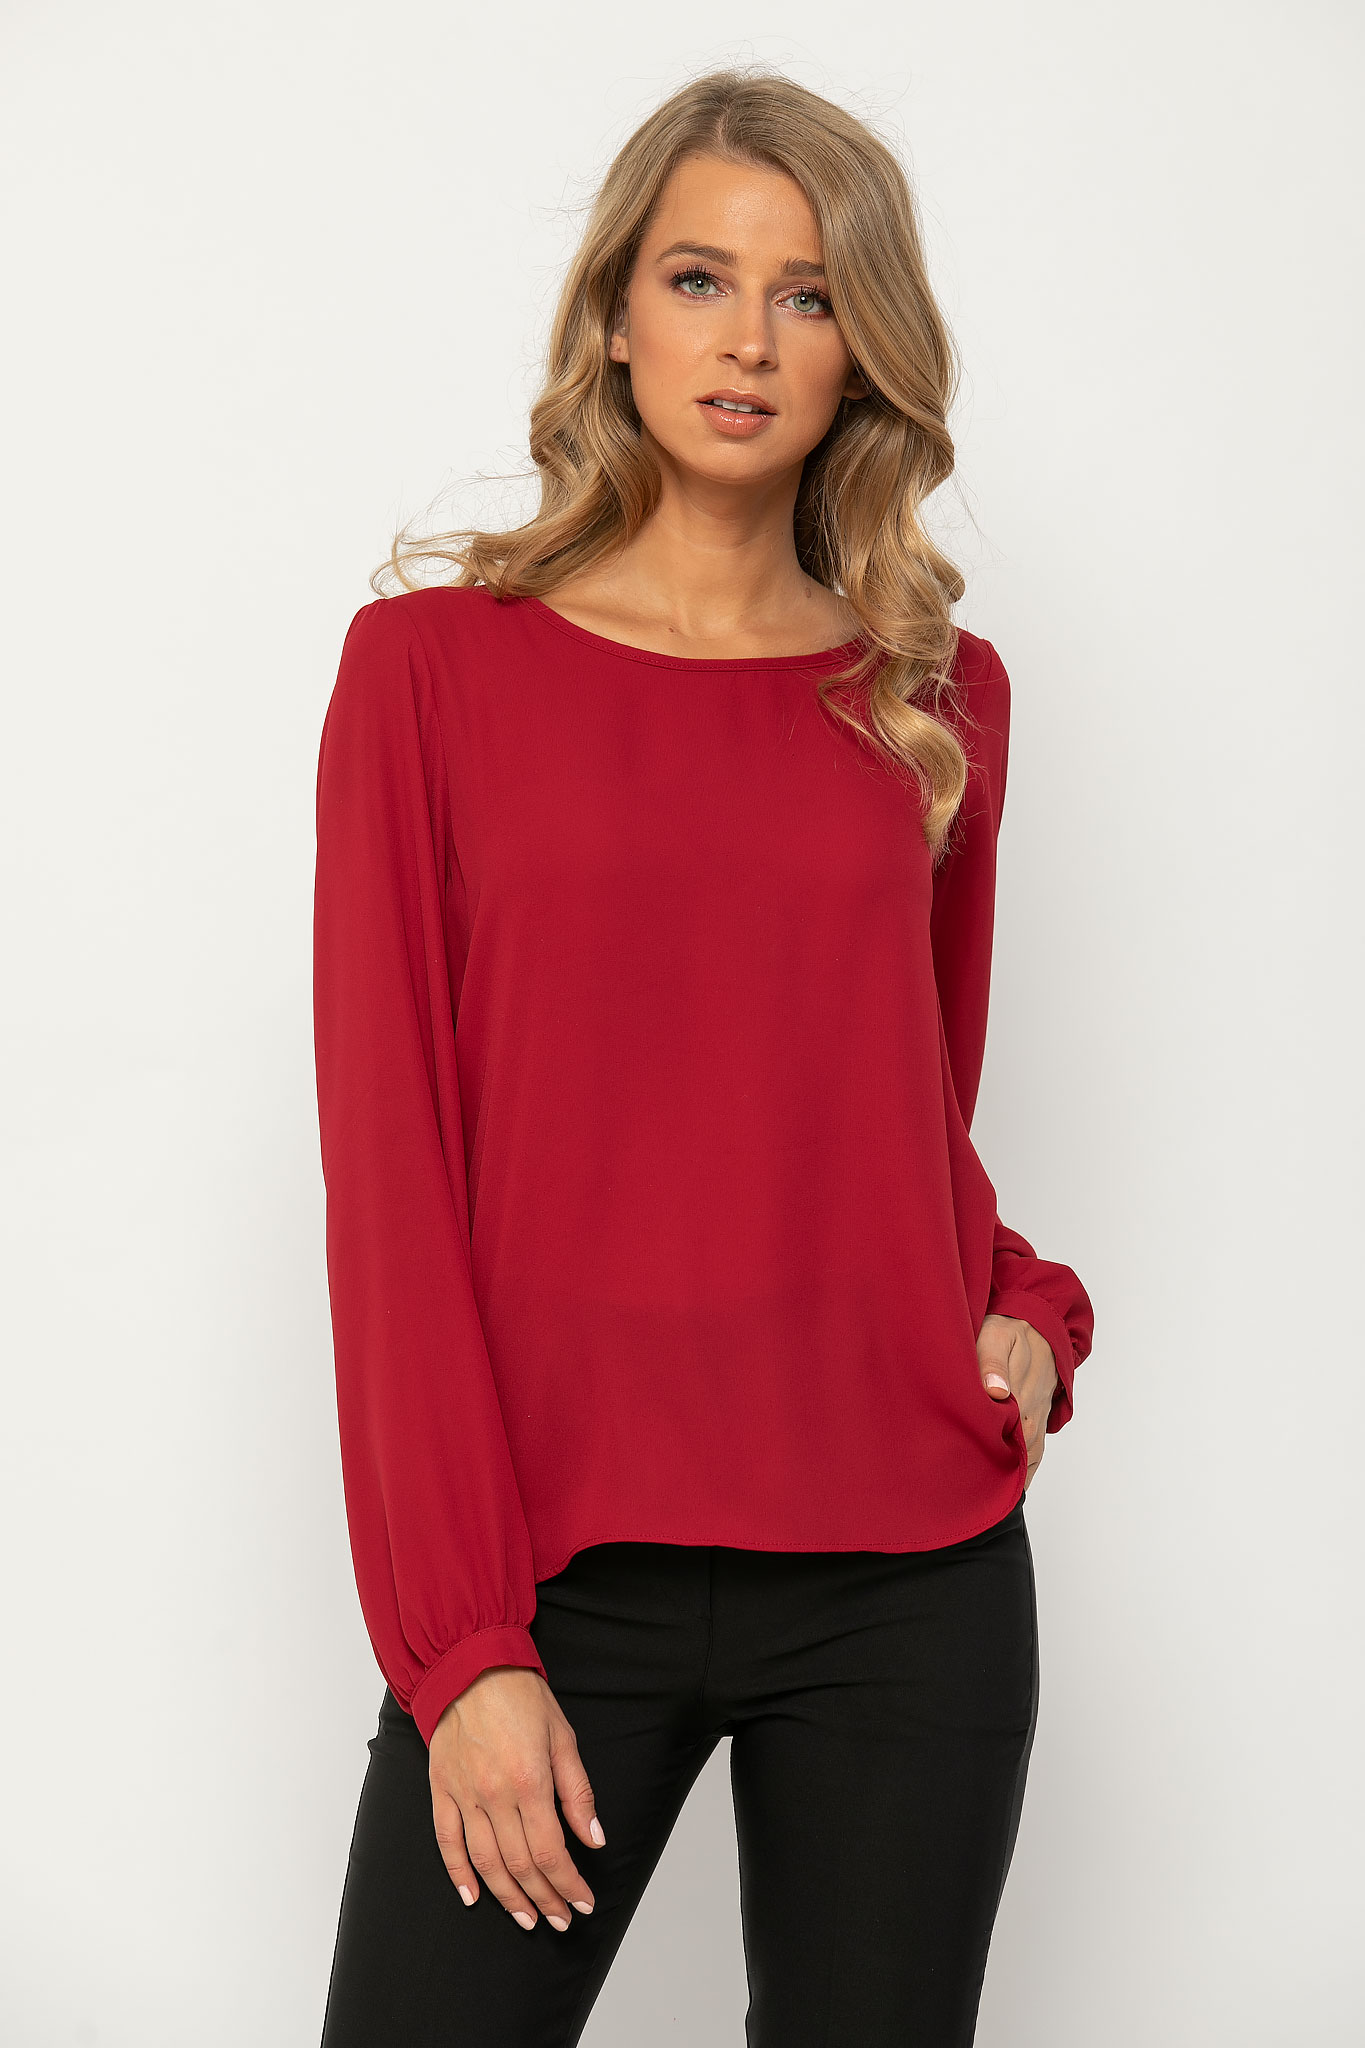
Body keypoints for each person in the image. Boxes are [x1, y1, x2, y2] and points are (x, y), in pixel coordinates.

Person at [312, 65, 1095, 2048]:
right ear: (612, 317)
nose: (747, 338)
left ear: (862, 350)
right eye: (697, 279)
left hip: (905, 1574)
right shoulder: (429, 676)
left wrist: (1019, 1304)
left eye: (806, 294)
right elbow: (392, 1179)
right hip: (557, 1570)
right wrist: (461, 1642)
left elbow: (896, 1112)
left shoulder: (932, 702)